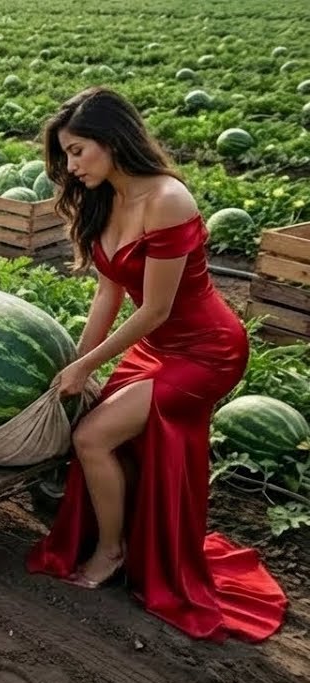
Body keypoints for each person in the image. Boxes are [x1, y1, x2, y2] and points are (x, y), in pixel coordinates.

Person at [26, 87, 286, 642]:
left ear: (113, 141)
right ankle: (135, 541)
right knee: (108, 434)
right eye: (65, 155)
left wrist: (91, 362)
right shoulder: (103, 198)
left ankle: (112, 551)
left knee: (92, 438)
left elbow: (158, 308)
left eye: (78, 152)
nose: (71, 167)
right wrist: (76, 364)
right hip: (155, 345)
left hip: (205, 350)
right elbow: (108, 296)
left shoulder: (168, 199)